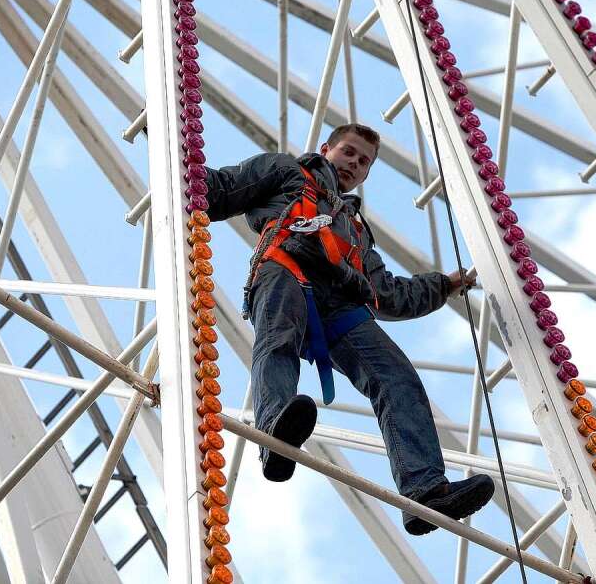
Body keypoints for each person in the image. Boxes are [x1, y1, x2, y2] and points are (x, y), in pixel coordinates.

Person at [202, 123, 494, 535]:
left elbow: (388, 294)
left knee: (397, 377)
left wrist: (443, 285)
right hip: (286, 266)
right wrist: (181, 159)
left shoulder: (356, 231)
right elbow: (224, 188)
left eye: (364, 161)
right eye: (349, 153)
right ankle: (274, 434)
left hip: (340, 302)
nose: (354, 164)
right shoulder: (288, 172)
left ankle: (424, 490)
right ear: (327, 149)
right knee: (278, 341)